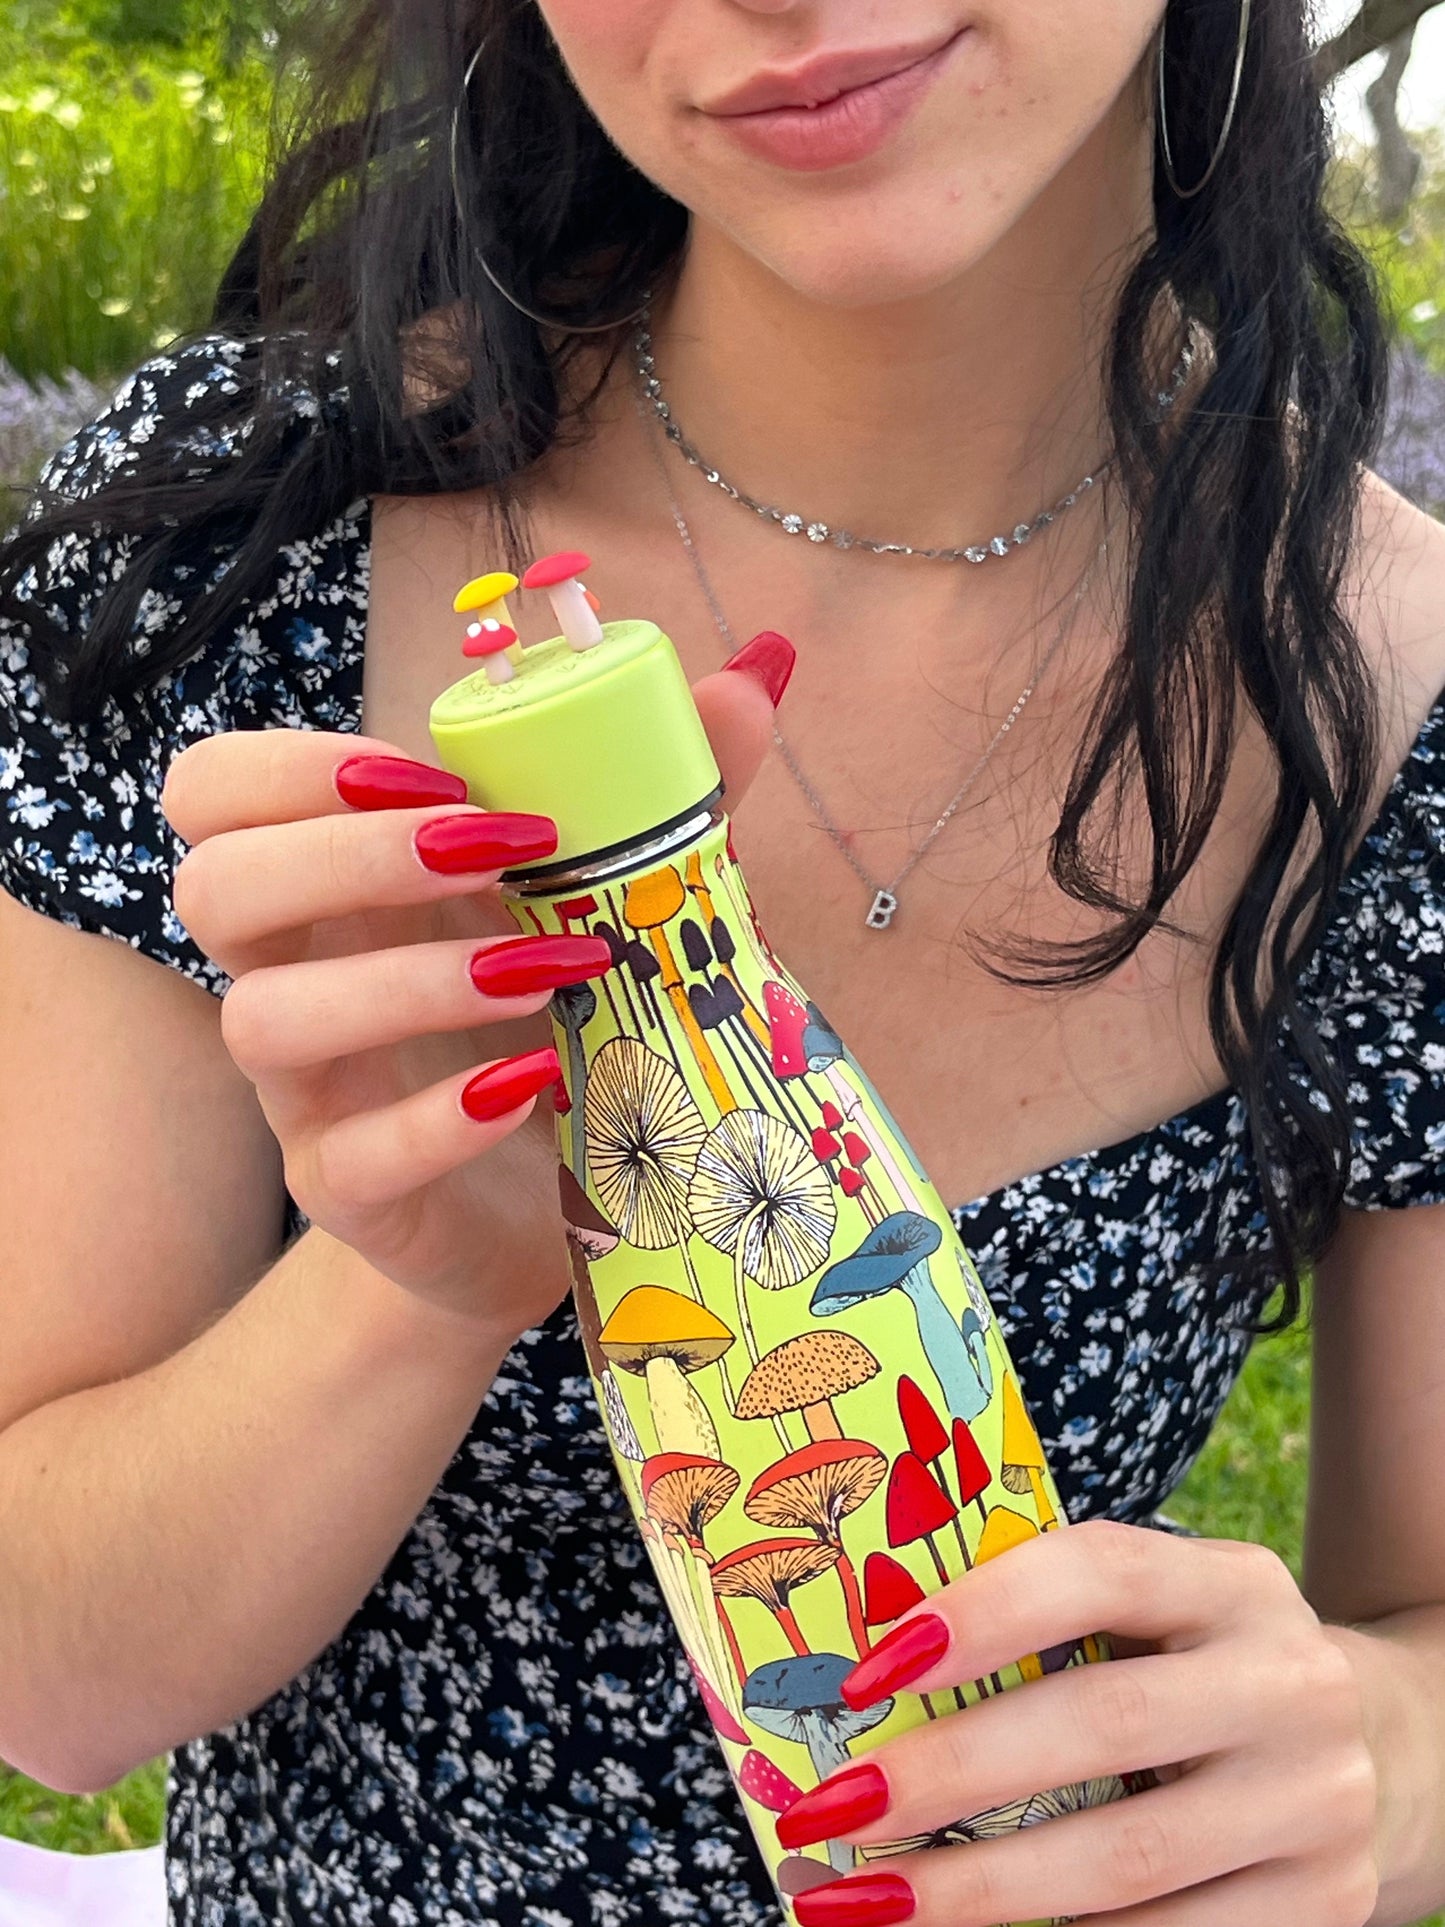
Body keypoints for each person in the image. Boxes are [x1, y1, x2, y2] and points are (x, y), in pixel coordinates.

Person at [1, 1, 1443, 1923]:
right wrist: (417, 1286)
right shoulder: (241, 534)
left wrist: (1381, 1748)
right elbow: (51, 1676)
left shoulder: (1400, 698)